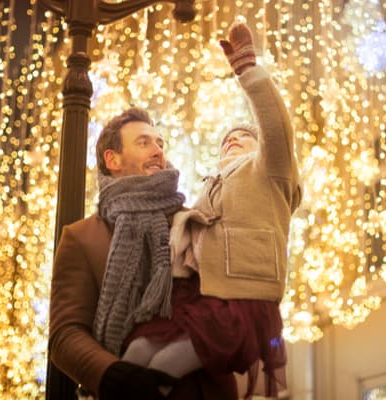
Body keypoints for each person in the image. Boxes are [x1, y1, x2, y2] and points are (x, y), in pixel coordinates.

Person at [120, 22, 302, 399]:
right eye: (226, 141)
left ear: (260, 146)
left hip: (244, 298)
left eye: (242, 137)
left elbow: (275, 127)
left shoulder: (269, 169)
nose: (232, 140)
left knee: (164, 367)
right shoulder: (210, 188)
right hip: (203, 299)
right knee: (136, 353)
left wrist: (247, 68)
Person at [49, 106, 238, 400]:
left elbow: (235, 304)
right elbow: (65, 335)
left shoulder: (195, 223)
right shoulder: (82, 237)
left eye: (160, 143)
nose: (157, 150)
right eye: (144, 142)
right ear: (112, 159)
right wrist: (112, 374)